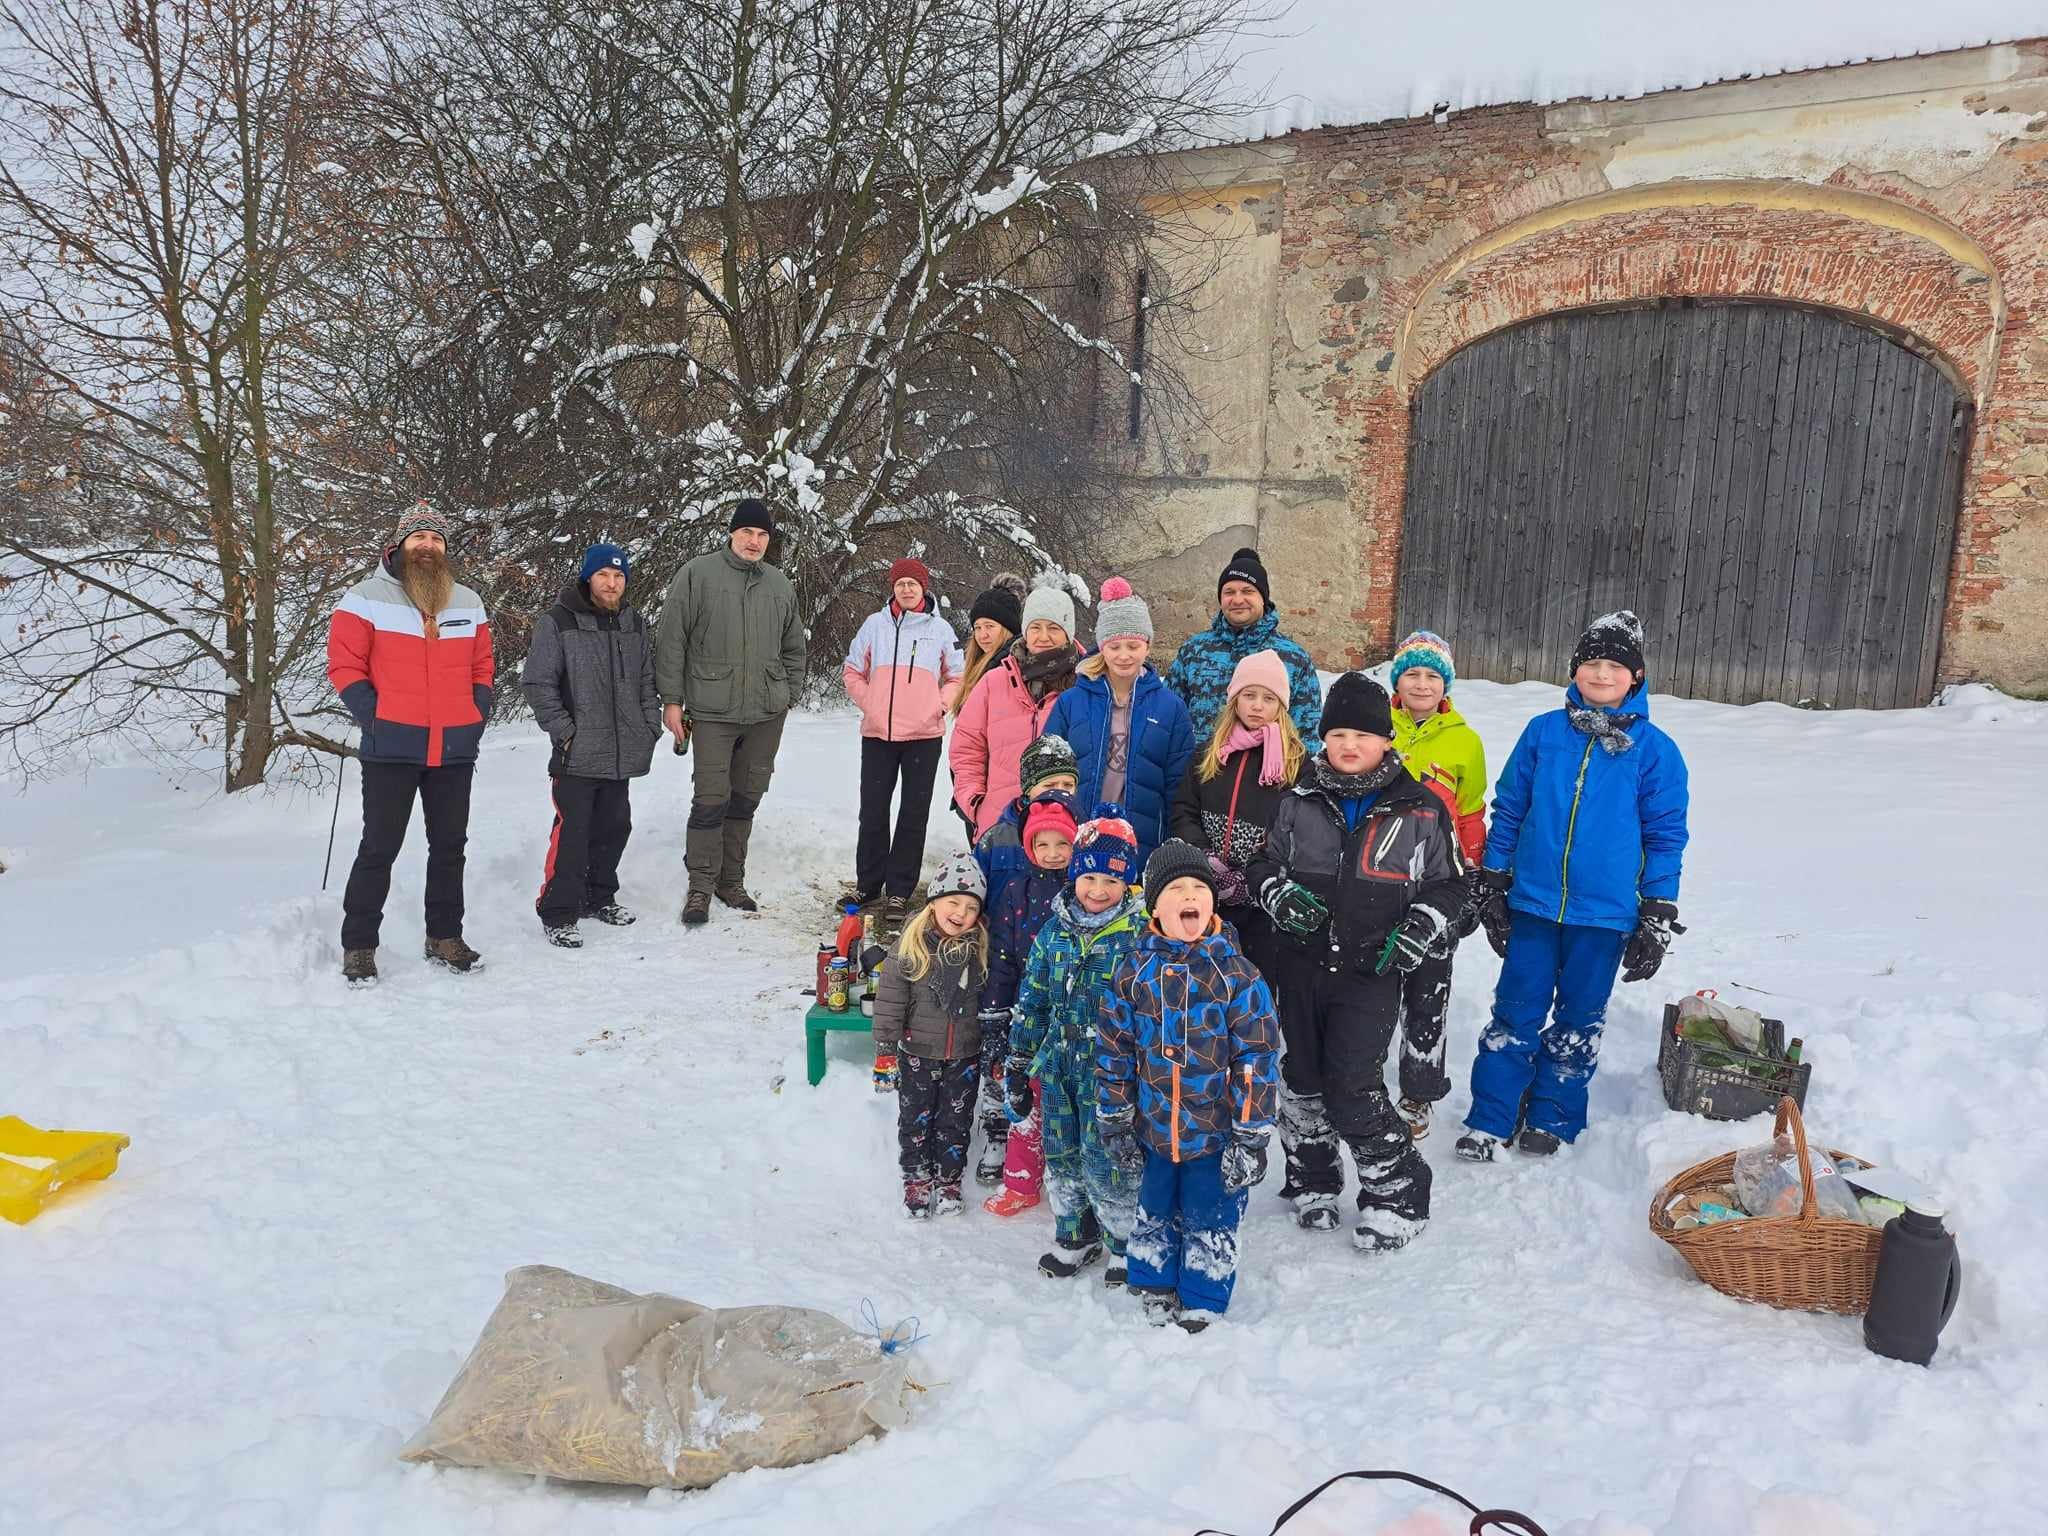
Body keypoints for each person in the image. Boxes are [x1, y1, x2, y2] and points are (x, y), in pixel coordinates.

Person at [1457, 611, 1690, 1163]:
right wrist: (1494, 876)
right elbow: (1510, 806)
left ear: (1635, 676)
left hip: (1605, 916)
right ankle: (1492, 1115)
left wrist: (1657, 907)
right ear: (1574, 669)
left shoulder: (1654, 751)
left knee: (1578, 1019)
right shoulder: (1543, 732)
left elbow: (1665, 834)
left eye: (1615, 665)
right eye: (1592, 662)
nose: (1602, 674)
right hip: (1534, 902)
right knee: (1515, 1011)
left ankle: (1553, 1114)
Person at [1245, 673, 1465, 1251]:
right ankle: (1312, 1180)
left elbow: (1451, 888)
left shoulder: (1420, 809)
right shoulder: (1299, 799)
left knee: (1353, 1088)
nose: (1348, 745)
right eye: (1337, 733)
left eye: (1362, 735)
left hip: (1372, 972)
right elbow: (1262, 864)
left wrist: (1419, 925)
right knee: (1301, 1081)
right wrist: (1277, 892)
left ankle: (1398, 1192)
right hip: (1300, 965)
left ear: (1386, 740)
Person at [1100, 840, 1280, 1332]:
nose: (1189, 895)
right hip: (1153, 1126)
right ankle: (1155, 1281)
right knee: (1154, 1205)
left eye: (1199, 887)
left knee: (1210, 1213)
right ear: (1154, 906)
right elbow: (1115, 1047)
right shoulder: (1134, 971)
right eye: (1176, 888)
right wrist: (1114, 1116)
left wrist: (1252, 1133)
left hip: (1214, 1133)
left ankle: (1202, 1293)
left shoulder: (1237, 975)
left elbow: (1257, 1056)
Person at [328, 501, 494, 984]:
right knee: (379, 847)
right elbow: (344, 665)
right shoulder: (363, 599)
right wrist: (375, 717)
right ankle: (359, 944)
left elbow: (482, 667)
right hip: (391, 750)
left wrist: (475, 715)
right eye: (419, 538)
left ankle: (444, 935)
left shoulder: (466, 600)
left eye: (436, 539)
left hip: (453, 750)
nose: (427, 546)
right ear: (399, 545)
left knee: (449, 847)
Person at [1003, 807, 1146, 1282]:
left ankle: (1124, 1243)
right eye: (1090, 877)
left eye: (1112, 880)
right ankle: (1076, 1233)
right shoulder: (1055, 930)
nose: (1099, 890)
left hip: (1114, 1075)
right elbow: (1033, 999)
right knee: (1062, 1154)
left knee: (1110, 1160)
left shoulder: (1139, 936)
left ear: (1127, 882)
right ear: (1075, 874)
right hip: (1059, 1066)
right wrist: (1020, 1062)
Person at [655, 499, 807, 926]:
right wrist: (672, 701)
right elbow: (672, 641)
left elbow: (794, 646)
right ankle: (700, 886)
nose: (754, 542)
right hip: (710, 709)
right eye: (747, 533)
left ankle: (731, 880)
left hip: (765, 712)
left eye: (762, 535)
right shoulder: (697, 575)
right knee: (710, 798)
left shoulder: (779, 585)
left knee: (746, 797)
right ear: (731, 534)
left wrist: (788, 692)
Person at [521, 543, 662, 948]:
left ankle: (599, 897)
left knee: (615, 828)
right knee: (573, 833)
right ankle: (559, 911)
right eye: (604, 575)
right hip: (577, 754)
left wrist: (648, 725)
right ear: (588, 577)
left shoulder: (633, 622)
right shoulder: (558, 621)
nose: (612, 583)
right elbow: (537, 683)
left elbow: (646, 679)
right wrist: (566, 731)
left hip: (622, 752)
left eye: (619, 576)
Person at [1384, 629, 1488, 1139]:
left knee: (1429, 991)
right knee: (1372, 983)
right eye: (1411, 674)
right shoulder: (1375, 726)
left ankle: (1419, 1092)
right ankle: (1359, 1080)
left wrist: (1471, 875)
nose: (1421, 684)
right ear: (1396, 681)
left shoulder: (1464, 740)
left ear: (1444, 683)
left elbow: (1470, 814)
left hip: (1437, 884)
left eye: (1431, 675)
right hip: (1375, 880)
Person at [1169, 649, 1305, 989]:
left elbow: (1300, 829)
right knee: (1205, 982)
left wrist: (1256, 876)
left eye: (1268, 698)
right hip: (1208, 891)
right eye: (1249, 695)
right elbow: (1185, 808)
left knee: (1254, 983)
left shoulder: (1297, 764)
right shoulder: (1210, 752)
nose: (1257, 705)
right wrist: (1206, 859)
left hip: (1261, 900)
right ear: (1235, 700)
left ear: (1281, 706)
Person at [1043, 578, 1195, 876]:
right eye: (1114, 646)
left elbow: (1179, 784)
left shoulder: (1170, 707)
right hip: (1080, 828)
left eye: (1133, 645)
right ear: (1102, 647)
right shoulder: (1072, 702)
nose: (1124, 655)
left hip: (1142, 836)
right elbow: (1048, 766)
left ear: (1147, 645)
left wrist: (1171, 842)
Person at [842, 557, 965, 921]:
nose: (907, 589)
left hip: (924, 737)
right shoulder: (874, 626)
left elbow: (957, 676)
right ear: (892, 587)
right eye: (900, 584)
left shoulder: (940, 629)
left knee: (913, 813)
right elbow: (852, 670)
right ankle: (868, 885)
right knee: (874, 810)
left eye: (913, 583)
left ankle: (899, 891)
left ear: (924, 588)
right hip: (879, 735)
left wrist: (939, 707)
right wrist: (871, 704)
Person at [872, 853, 991, 1218]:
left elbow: (987, 1002)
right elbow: (890, 1000)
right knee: (916, 1119)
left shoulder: (980, 949)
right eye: (953, 902)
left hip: (964, 1055)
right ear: (935, 902)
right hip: (918, 1052)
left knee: (955, 1121)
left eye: (971, 907)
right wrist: (886, 1051)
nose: (961, 913)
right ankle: (916, 1177)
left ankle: (949, 1178)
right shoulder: (911, 945)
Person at [977, 790, 1078, 1207]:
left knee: (1073, 1104)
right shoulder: (1017, 892)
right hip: (1030, 1015)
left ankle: (1074, 1182)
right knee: (1027, 1102)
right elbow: (1002, 960)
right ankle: (1020, 1182)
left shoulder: (1086, 890)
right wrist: (996, 1019)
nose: (1053, 853)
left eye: (1062, 844)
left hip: (1077, 1018)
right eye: (1043, 844)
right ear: (1029, 848)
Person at [949, 574, 1083, 841]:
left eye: (1053, 628)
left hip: (1065, 833)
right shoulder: (994, 681)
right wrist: (976, 804)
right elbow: (966, 749)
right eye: (1035, 627)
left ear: (1068, 632)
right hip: (999, 829)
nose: (1043, 636)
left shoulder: (1085, 684)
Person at [1161, 547, 1322, 750]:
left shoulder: (1293, 658)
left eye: (1247, 591)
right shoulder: (1194, 651)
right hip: (1198, 774)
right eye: (1229, 592)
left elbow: (1307, 735)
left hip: (1263, 777)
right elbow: (1167, 716)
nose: (1237, 600)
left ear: (1263, 598)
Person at [971, 732, 1080, 912]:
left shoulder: (1082, 834)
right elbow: (973, 890)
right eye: (1050, 785)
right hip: (1001, 935)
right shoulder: (997, 838)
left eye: (1068, 785)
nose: (1061, 792)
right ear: (1028, 788)